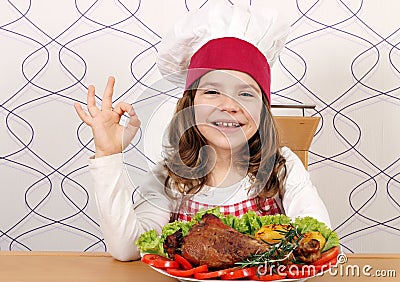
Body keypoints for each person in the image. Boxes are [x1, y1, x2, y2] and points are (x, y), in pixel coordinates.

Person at [74, 3, 331, 261]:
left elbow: (318, 238)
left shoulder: (283, 168)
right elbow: (127, 248)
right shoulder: (171, 176)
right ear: (190, 106)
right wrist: (108, 154)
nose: (229, 106)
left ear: (263, 110)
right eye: (212, 91)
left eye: (245, 93)